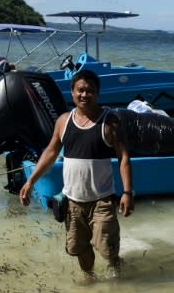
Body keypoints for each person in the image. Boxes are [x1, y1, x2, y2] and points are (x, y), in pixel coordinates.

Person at [19, 69, 134, 281]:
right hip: (72, 202)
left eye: (90, 91)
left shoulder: (110, 122)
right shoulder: (63, 121)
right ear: (72, 92)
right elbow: (51, 153)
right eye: (80, 90)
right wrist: (31, 181)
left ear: (97, 94)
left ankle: (119, 275)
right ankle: (89, 278)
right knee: (78, 248)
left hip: (102, 200)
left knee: (108, 250)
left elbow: (123, 158)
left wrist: (127, 192)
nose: (84, 95)